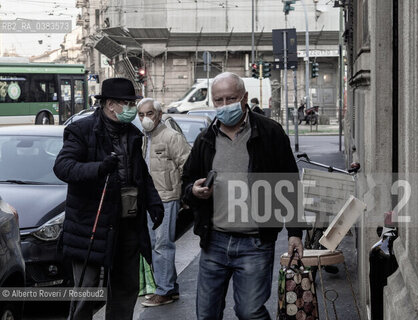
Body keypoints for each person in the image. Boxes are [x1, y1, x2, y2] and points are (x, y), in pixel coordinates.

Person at [182, 72, 303, 320]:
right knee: (206, 314)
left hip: (255, 243)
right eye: (219, 100)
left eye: (231, 98)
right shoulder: (206, 138)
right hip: (214, 242)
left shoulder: (270, 132)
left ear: (245, 97)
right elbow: (186, 182)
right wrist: (194, 191)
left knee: (250, 313)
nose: (225, 106)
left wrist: (295, 233)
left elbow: (290, 182)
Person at [54, 78, 164, 320]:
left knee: (126, 287)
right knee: (87, 290)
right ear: (111, 104)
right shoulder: (81, 130)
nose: (131, 108)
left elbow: (140, 173)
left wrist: (153, 201)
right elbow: (63, 167)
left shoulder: (133, 134)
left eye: (131, 103)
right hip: (91, 224)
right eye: (127, 103)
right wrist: (99, 168)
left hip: (127, 223)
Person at [137, 98, 191, 307]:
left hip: (167, 198)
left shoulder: (171, 137)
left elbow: (187, 164)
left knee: (162, 245)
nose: (145, 118)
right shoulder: (144, 138)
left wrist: (184, 195)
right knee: (156, 245)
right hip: (151, 200)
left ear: (159, 115)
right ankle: (170, 287)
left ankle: (164, 291)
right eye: (141, 115)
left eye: (149, 113)